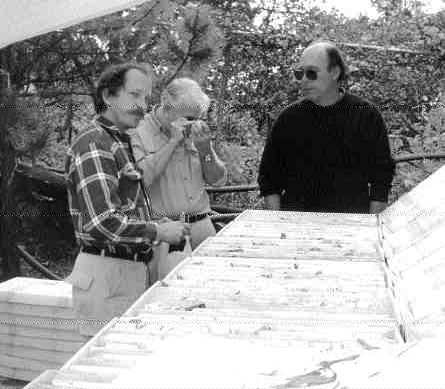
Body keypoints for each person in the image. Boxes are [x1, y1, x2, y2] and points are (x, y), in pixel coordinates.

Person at [65, 63, 190, 337]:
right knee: (106, 373)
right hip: (107, 277)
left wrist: (156, 222)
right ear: (109, 96)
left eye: (145, 97)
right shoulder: (94, 143)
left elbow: (124, 210)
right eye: (134, 95)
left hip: (125, 275)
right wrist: (158, 231)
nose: (143, 106)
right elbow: (101, 222)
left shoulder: (118, 141)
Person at [258, 41, 395, 214]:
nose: (304, 80)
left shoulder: (365, 115)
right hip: (295, 225)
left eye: (312, 73)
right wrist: (277, 224)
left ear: (335, 72)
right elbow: (270, 178)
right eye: (299, 73)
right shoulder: (288, 119)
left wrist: (372, 225)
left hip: (352, 225)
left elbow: (381, 177)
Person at [131, 77, 227, 250]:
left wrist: (206, 150)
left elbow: (218, 181)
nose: (193, 124)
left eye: (197, 118)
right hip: (166, 232)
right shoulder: (138, 130)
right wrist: (173, 142)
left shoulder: (195, 131)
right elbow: (141, 180)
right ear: (166, 102)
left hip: (203, 227)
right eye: (187, 118)